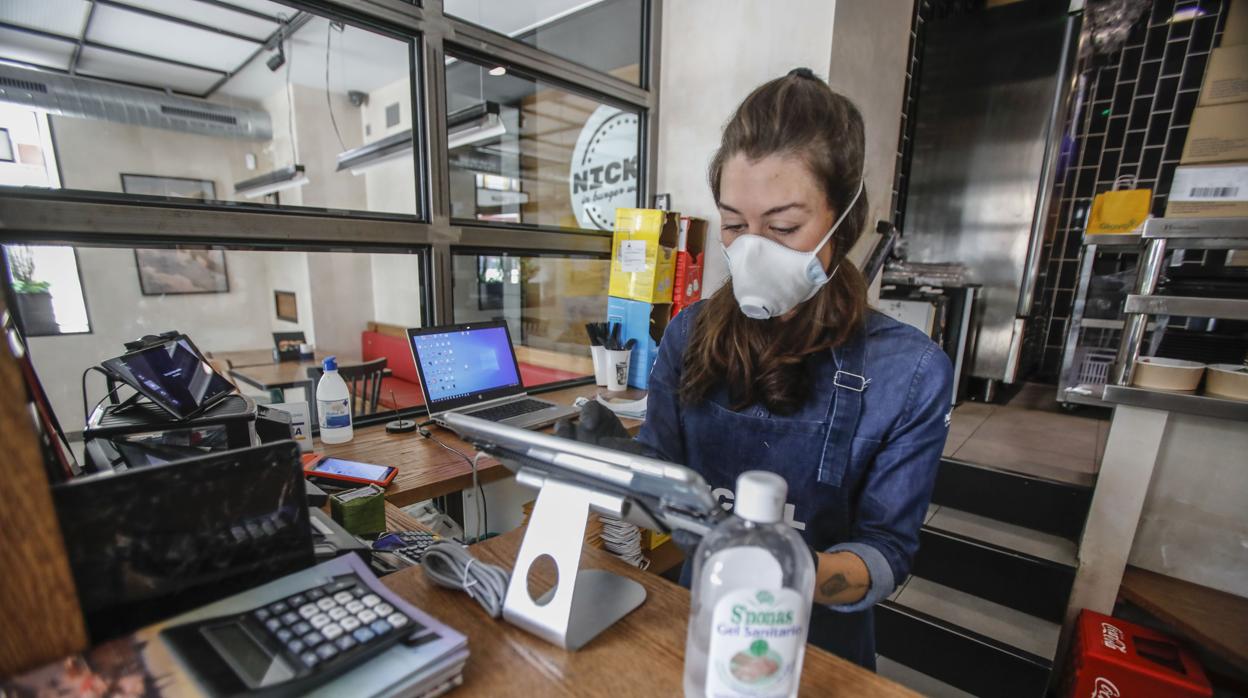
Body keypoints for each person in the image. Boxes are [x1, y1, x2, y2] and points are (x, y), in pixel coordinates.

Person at [559, 68, 952, 669]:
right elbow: (665, 493)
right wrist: (619, 472)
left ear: (843, 221)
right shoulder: (689, 335)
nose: (752, 250)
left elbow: (886, 553)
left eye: (784, 227)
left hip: (822, 654)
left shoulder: (911, 372)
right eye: (735, 226)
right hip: (696, 627)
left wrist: (777, 569)